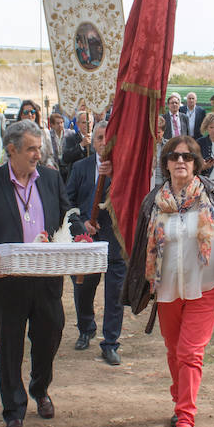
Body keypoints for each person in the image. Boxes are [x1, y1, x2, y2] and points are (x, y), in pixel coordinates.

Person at [123, 134, 214, 427]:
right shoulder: (154, 202)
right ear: (166, 164)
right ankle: (180, 399)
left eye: (187, 157)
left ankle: (185, 421)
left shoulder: (213, 196)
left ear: (196, 163)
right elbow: (142, 246)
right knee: (173, 349)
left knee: (190, 351)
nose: (181, 161)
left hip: (204, 285)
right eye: (174, 156)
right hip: (167, 288)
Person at [0, 119, 82, 427]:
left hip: (46, 280)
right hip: (8, 282)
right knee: (10, 349)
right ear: (11, 150)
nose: (37, 155)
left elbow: (67, 218)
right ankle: (14, 411)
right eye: (31, 149)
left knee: (51, 334)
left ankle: (39, 388)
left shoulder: (51, 178)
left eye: (39, 148)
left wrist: (83, 237)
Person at [65, 119, 126, 365]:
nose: (103, 143)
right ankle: (86, 328)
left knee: (115, 294)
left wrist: (114, 176)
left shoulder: (124, 169)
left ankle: (110, 342)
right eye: (99, 138)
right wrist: (82, 224)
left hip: (114, 240)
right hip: (86, 241)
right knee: (83, 289)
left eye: (108, 138)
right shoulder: (80, 167)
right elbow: (67, 202)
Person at [45, 111, 71, 180]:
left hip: (67, 165)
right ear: (52, 125)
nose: (60, 125)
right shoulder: (48, 135)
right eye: (58, 123)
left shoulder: (70, 133)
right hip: (55, 165)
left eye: (62, 123)